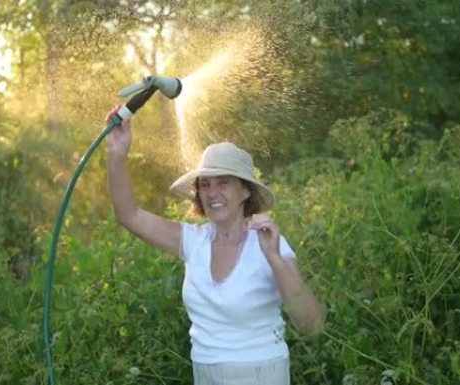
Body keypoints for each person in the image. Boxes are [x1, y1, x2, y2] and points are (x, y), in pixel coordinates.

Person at [105, 106, 325, 385]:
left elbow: (311, 324)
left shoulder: (269, 242)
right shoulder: (193, 240)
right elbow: (129, 215)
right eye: (205, 184)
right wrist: (116, 154)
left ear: (246, 191)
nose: (212, 193)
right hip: (205, 373)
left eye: (223, 183)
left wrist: (274, 259)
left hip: (260, 374)